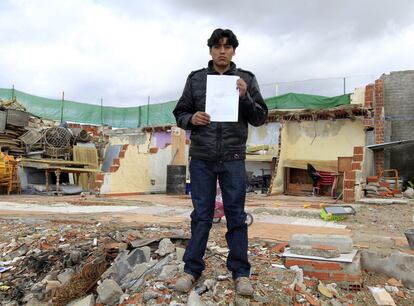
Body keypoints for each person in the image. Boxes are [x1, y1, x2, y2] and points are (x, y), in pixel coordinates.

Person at [173, 28, 268, 296]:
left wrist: (245, 97)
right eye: (217, 46)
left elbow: (260, 117)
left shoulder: (246, 79)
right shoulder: (196, 79)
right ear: (211, 50)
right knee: (201, 215)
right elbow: (180, 111)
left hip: (233, 158)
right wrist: (191, 119)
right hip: (202, 157)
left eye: (227, 46)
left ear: (234, 50)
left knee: (235, 215)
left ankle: (240, 273)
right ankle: (192, 269)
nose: (222, 51)